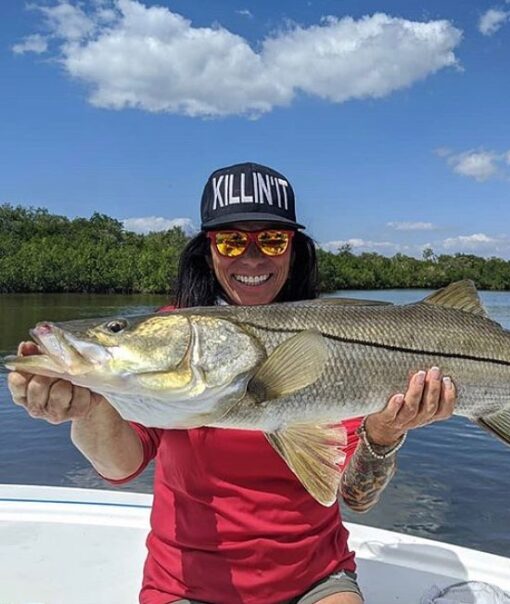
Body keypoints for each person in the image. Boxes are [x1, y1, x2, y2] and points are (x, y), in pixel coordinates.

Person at [7, 162, 456, 604]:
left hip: (317, 578)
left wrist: (384, 433)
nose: (253, 256)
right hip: (185, 585)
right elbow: (120, 466)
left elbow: (353, 498)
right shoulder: (170, 337)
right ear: (209, 249)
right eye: (233, 240)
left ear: (293, 250)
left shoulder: (344, 339)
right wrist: (89, 407)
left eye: (273, 239)